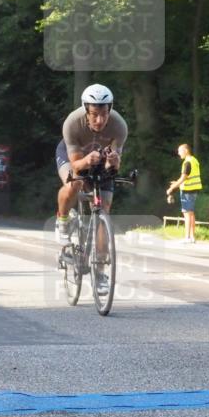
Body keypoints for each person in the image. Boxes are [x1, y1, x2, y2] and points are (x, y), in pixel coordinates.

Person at [55, 85, 129, 293]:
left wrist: (112, 162)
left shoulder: (119, 126)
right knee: (75, 183)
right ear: (86, 111)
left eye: (104, 114)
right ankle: (62, 221)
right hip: (75, 157)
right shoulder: (72, 123)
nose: (99, 120)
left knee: (103, 210)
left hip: (98, 160)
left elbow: (114, 166)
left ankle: (100, 272)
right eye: (94, 115)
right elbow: (77, 165)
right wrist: (87, 160)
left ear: (110, 110)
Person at [166, 143, 201, 243]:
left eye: (180, 151)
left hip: (188, 191)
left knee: (187, 214)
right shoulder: (194, 160)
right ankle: (192, 237)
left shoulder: (187, 162)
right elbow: (188, 177)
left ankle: (187, 238)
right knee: (191, 214)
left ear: (186, 150)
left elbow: (183, 178)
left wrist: (172, 187)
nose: (178, 153)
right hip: (193, 189)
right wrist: (176, 183)